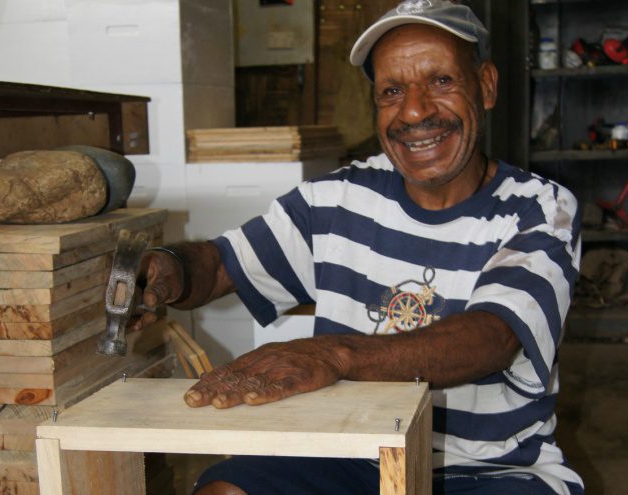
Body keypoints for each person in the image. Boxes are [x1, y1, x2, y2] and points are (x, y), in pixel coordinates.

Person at [134, 1, 585, 493]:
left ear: (487, 85)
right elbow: (221, 265)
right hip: (345, 452)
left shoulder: (540, 207)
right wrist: (169, 270)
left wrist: (336, 355)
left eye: (440, 81)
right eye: (392, 91)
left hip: (488, 470)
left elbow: (494, 337)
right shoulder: (334, 200)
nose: (414, 112)